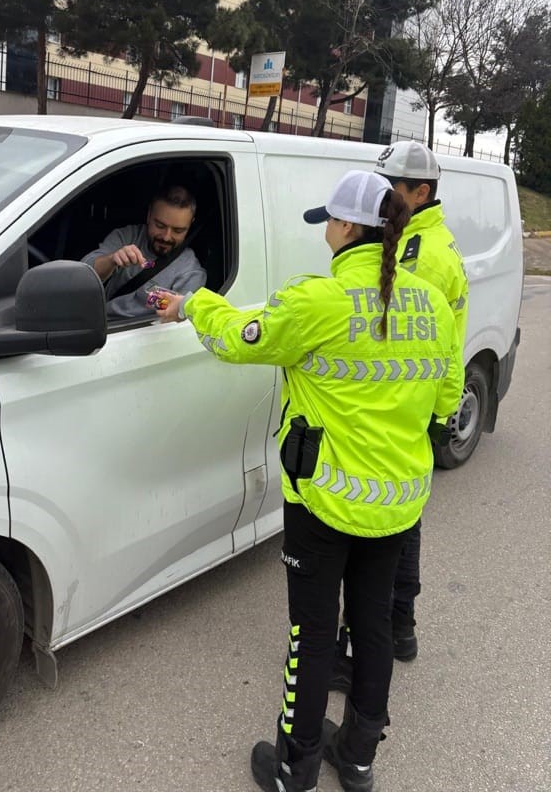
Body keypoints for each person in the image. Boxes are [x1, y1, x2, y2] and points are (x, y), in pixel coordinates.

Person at [156, 169, 463, 793]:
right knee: (372, 625)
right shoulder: (428, 300)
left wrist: (193, 303)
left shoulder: (317, 300)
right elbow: (447, 392)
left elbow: (242, 340)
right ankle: (357, 759)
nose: (326, 228)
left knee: (313, 632)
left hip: (323, 502)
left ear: (347, 228)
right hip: (399, 501)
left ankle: (294, 766)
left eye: (330, 219)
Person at [331, 141, 470, 693]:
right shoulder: (418, 239)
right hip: (423, 396)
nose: (383, 197)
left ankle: (388, 627)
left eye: (392, 188)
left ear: (421, 193)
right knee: (404, 518)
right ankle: (399, 626)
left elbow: (407, 335)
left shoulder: (423, 255)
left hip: (408, 398)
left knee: (392, 525)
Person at [81, 184, 206, 319]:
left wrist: (163, 301)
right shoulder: (127, 236)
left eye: (178, 230)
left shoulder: (190, 272)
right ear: (148, 216)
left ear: (190, 225)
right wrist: (112, 260)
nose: (166, 236)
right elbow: (82, 275)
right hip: (96, 319)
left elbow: (177, 324)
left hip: (136, 334)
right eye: (160, 225)